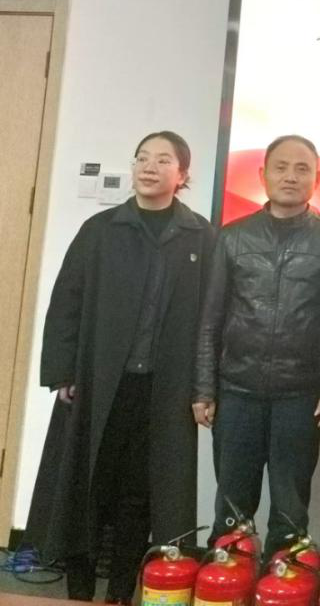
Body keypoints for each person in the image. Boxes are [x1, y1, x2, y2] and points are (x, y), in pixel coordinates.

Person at [25, 131, 214, 603]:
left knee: (140, 495)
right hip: (98, 384)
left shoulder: (201, 236)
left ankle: (121, 591)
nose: (149, 167)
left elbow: (213, 318)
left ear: (182, 175)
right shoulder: (100, 230)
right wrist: (62, 372)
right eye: (142, 158)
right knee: (88, 488)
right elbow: (66, 303)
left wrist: (203, 387)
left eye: (163, 160)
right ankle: (80, 589)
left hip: (163, 391)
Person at [193, 135, 320, 556]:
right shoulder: (232, 237)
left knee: (291, 508)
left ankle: (284, 576)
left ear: (318, 179)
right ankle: (227, 577)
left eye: (302, 169)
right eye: (281, 167)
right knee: (231, 505)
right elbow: (210, 320)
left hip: (300, 395)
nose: (290, 177)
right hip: (236, 391)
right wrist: (204, 388)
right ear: (263, 175)